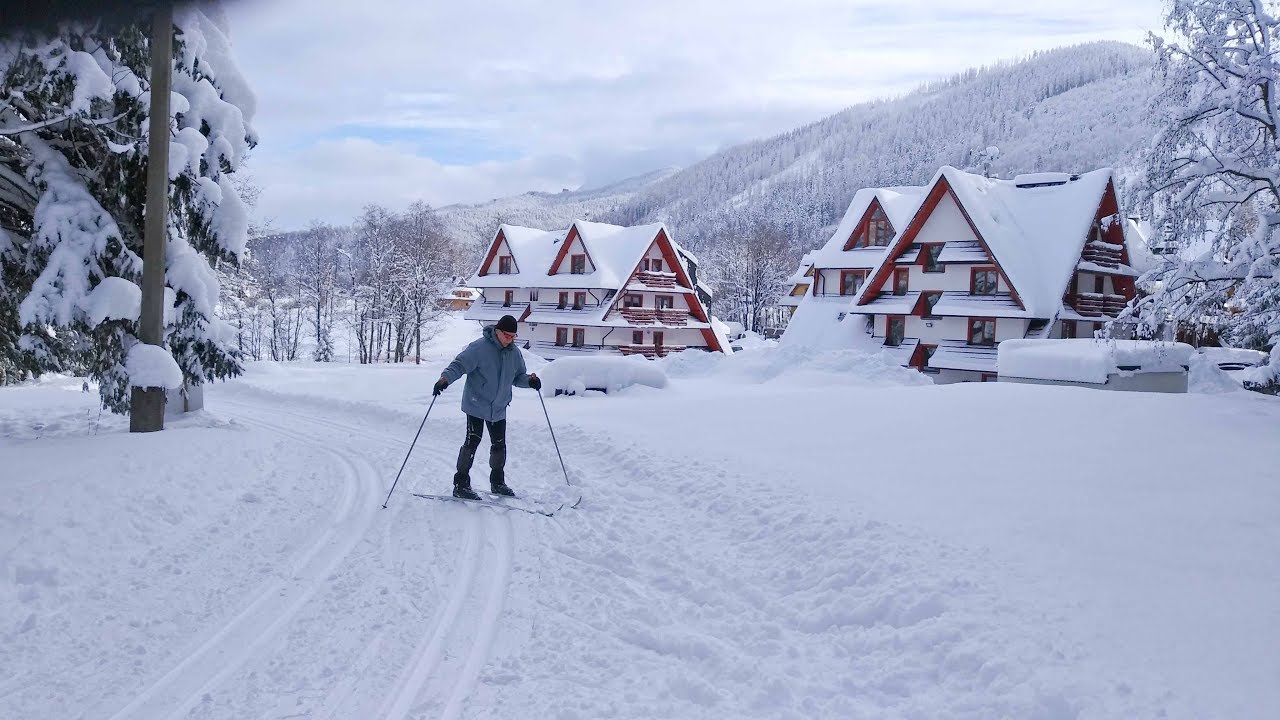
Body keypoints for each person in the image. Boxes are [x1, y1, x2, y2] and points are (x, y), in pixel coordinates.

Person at [433, 315, 541, 500]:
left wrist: (530, 381)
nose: (510, 339)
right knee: (472, 442)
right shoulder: (479, 347)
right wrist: (445, 379)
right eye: (507, 335)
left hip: (498, 407)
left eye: (513, 336)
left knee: (499, 445)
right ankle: (461, 484)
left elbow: (518, 377)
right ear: (497, 331)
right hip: (476, 403)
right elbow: (459, 365)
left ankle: (497, 483)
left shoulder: (514, 353)